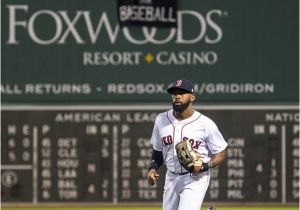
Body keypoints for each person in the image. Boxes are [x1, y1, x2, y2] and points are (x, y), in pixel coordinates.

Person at [147, 79, 228, 210]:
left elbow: (221, 153)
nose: (177, 96)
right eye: (174, 93)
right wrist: (152, 168)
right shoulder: (161, 120)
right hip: (171, 177)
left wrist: (205, 166)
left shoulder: (205, 124)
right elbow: (158, 150)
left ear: (192, 97)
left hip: (195, 178)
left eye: (182, 93)